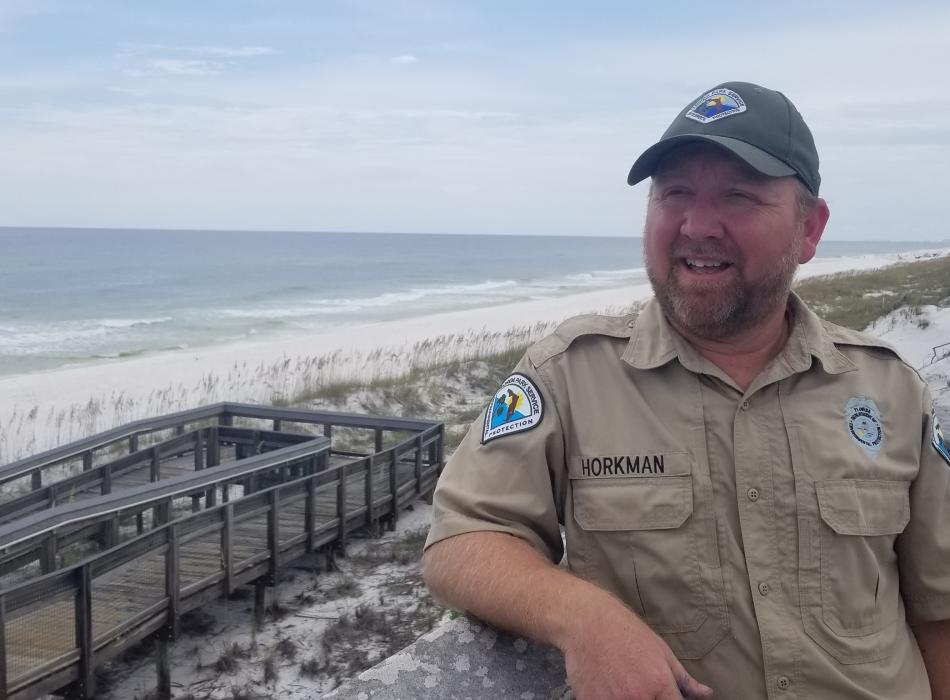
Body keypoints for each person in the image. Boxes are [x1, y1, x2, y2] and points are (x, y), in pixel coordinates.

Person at [422, 81, 950, 699]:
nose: (697, 224)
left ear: (811, 229)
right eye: (674, 194)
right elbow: (462, 539)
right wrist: (585, 619)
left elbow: (939, 609)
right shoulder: (570, 373)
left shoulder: (890, 387)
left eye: (738, 195)